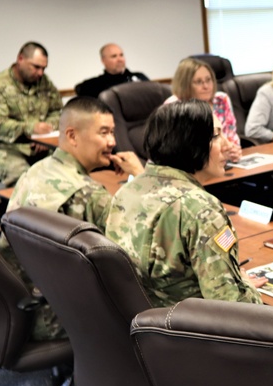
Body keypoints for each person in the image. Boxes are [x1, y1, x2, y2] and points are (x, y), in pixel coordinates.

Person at [0, 97, 144, 341]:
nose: (113, 142)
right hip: (55, 316)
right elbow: (133, 251)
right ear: (72, 135)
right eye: (104, 133)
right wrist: (140, 176)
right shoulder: (87, 193)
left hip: (17, 301)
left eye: (113, 132)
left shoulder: (36, 169)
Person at [105, 100, 264, 308]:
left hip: (141, 326)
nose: (227, 145)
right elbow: (231, 307)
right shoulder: (201, 209)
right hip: (187, 332)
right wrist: (243, 285)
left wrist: (231, 280)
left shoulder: (127, 192)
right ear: (191, 142)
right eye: (216, 136)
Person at [0, 41, 62, 186]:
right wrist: (31, 129)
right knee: (28, 183)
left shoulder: (43, 82)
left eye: (43, 68)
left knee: (70, 169)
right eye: (36, 67)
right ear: (20, 59)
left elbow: (58, 111)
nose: (40, 73)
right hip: (6, 149)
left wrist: (45, 133)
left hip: (42, 147)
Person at [165, 57, 243, 162]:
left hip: (223, 164)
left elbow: (231, 135)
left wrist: (234, 150)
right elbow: (181, 150)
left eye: (208, 80)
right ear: (185, 85)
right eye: (198, 82)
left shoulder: (221, 100)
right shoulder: (174, 106)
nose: (206, 86)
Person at [74, 43, 149, 98]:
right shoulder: (94, 85)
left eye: (121, 55)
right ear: (103, 61)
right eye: (114, 56)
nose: (119, 59)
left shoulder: (139, 77)